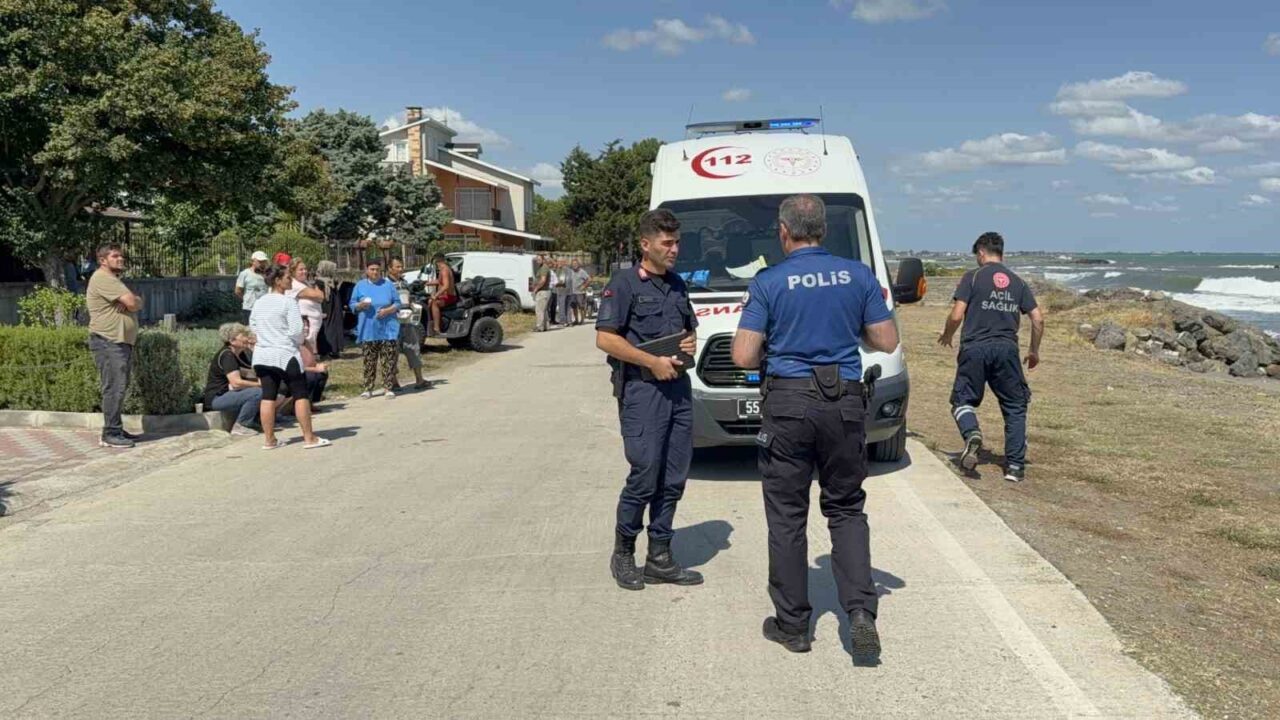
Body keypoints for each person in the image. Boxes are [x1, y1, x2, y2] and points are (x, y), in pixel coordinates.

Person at [730, 194, 899, 660]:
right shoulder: (858, 276)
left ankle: (793, 626)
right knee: (845, 509)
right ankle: (861, 612)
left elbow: (744, 355)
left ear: (785, 232)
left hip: (788, 404)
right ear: (823, 230)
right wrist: (850, 330)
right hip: (843, 401)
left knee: (787, 516)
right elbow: (886, 340)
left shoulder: (770, 281)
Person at [595, 209, 701, 591]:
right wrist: (650, 361)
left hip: (678, 390)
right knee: (644, 473)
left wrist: (689, 342)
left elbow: (687, 331)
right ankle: (624, 552)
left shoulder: (677, 285)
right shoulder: (624, 283)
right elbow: (605, 338)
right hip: (642, 391)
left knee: (674, 477)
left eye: (677, 242)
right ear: (645, 244)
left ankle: (660, 557)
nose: (674, 249)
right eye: (666, 243)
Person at [937, 231, 1044, 482]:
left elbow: (956, 315)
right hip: (1007, 349)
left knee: (962, 400)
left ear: (981, 252)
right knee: (1015, 405)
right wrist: (1034, 350)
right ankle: (1015, 466)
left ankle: (972, 432)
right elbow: (1037, 318)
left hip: (974, 348)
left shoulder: (972, 278)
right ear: (1002, 253)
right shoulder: (1018, 282)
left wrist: (948, 334)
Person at [249, 264, 330, 450]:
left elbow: (253, 326)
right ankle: (309, 438)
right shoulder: (288, 302)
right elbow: (296, 330)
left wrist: (266, 337)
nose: (290, 280)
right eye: (287, 277)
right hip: (285, 353)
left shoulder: (259, 302)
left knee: (268, 396)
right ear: (277, 281)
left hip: (262, 355)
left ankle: (269, 440)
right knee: (300, 394)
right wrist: (296, 341)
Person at [86, 244, 143, 449]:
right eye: (115, 256)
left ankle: (115, 427)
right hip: (108, 341)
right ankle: (110, 432)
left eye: (121, 256)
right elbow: (133, 302)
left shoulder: (114, 280)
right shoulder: (103, 278)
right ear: (103, 260)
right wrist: (131, 301)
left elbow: (136, 302)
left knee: (119, 387)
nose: (121, 259)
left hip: (118, 341)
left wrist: (132, 301)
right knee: (114, 388)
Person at [349, 259, 401, 398]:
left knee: (388, 360)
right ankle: (368, 388)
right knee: (369, 361)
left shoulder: (388, 285)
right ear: (366, 270)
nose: (375, 272)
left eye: (377, 269)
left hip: (387, 328)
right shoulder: (360, 286)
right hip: (368, 329)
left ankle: (388, 387)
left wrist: (388, 310)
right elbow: (352, 304)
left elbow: (397, 303)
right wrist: (360, 306)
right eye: (372, 269)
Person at [202, 323, 263, 435]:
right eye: (243, 335)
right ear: (232, 340)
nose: (246, 338)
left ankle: (259, 419)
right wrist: (259, 385)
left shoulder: (241, 355)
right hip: (217, 398)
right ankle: (241, 425)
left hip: (227, 394)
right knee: (257, 393)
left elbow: (251, 373)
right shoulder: (227, 355)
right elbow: (236, 383)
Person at [388, 258, 430, 389]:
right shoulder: (385, 284)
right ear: (390, 268)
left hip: (407, 320)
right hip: (392, 321)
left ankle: (419, 379)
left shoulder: (404, 283)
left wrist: (412, 305)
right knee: (392, 351)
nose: (401, 269)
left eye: (401, 267)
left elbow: (407, 297)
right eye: (397, 267)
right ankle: (393, 381)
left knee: (413, 347)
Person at [286, 257, 326, 353]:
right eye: (301, 270)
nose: (305, 271)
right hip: (305, 322)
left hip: (313, 321)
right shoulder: (295, 285)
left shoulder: (304, 283)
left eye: (305, 269)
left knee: (310, 345)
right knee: (305, 346)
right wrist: (316, 287)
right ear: (293, 271)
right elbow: (320, 296)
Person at [313, 260, 345, 359]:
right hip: (326, 307)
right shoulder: (319, 282)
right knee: (327, 327)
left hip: (334, 308)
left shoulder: (332, 281)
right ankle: (326, 350)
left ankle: (335, 349)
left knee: (336, 326)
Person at [235, 251, 269, 325]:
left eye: (264, 261)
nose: (262, 264)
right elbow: (238, 290)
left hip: (264, 308)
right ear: (253, 261)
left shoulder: (267, 274)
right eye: (260, 261)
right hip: (249, 308)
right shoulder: (245, 274)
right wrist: (246, 299)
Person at [428, 254, 457, 336]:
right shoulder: (443, 269)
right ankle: (433, 322)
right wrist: (427, 283)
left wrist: (436, 295)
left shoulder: (444, 270)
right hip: (445, 296)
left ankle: (437, 329)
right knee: (429, 301)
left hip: (450, 297)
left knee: (435, 303)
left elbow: (446, 286)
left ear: (437, 261)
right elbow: (439, 281)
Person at [532, 255, 552, 332]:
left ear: (543, 260)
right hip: (544, 291)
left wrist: (536, 289)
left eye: (539, 259)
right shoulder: (541, 267)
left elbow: (543, 280)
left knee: (539, 310)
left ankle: (539, 327)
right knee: (544, 310)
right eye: (537, 259)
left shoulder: (544, 267)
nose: (538, 260)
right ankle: (546, 326)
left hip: (543, 291)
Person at [568, 259, 590, 325]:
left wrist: (584, 286)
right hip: (572, 292)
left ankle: (582, 320)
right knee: (574, 306)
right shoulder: (570, 271)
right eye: (573, 264)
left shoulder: (582, 272)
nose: (574, 265)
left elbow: (589, 279)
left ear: (578, 264)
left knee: (581, 307)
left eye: (576, 264)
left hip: (580, 292)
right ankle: (576, 320)